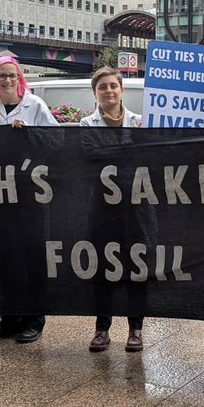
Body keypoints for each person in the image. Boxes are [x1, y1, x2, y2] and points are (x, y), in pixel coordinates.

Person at [0, 55, 59, 343]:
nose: (8, 80)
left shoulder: (35, 105)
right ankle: (11, 318)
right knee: (6, 256)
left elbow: (56, 141)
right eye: (2, 76)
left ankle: (34, 318)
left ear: (20, 79)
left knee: (32, 255)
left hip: (29, 192)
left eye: (13, 75)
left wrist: (29, 136)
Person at [79, 67, 145, 353]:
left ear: (122, 90)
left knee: (137, 268)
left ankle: (136, 329)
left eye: (113, 86)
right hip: (102, 209)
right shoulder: (86, 124)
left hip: (136, 208)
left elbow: (165, 152)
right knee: (103, 269)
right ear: (95, 93)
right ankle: (102, 329)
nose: (108, 91)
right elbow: (92, 157)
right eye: (102, 87)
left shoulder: (141, 122)